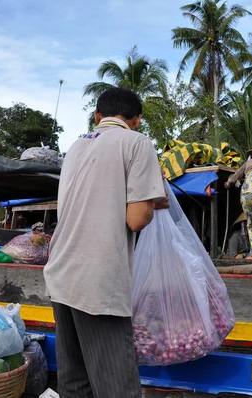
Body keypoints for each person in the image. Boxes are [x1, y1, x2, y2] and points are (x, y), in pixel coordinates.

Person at [43, 87, 169, 398]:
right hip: (99, 281)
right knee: (116, 386)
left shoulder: (75, 147)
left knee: (75, 383)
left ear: (98, 116)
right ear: (136, 120)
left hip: (61, 273)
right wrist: (152, 203)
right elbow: (137, 219)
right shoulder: (137, 143)